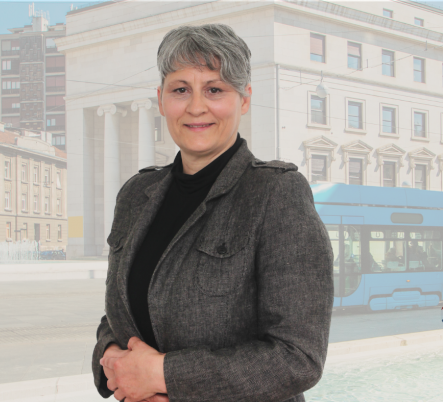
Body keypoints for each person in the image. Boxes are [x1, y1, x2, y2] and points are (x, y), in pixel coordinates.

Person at [93, 24, 334, 402]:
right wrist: (111, 356)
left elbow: (298, 357)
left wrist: (161, 375)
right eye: (180, 90)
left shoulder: (276, 194)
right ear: (161, 100)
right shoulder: (136, 194)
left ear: (244, 99)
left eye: (214, 89)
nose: (195, 107)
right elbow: (120, 311)